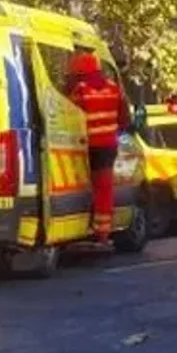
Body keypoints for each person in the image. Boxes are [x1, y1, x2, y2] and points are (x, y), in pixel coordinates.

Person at [66, 50, 130, 245]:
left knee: (82, 186)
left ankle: (82, 224)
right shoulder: (113, 88)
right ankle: (102, 232)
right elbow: (125, 118)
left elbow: (67, 115)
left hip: (85, 147)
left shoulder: (80, 90)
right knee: (104, 189)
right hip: (107, 147)